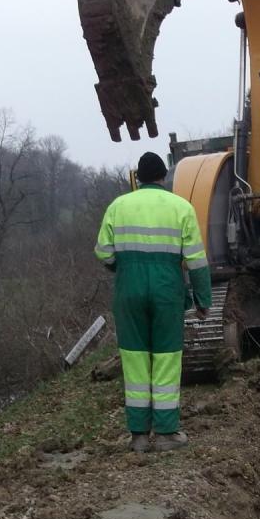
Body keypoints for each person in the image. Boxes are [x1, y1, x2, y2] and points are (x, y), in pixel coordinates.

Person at [94, 152, 212, 453]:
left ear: (139, 178)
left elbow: (103, 252)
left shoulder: (118, 206)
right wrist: (203, 300)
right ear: (163, 178)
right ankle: (166, 433)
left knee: (134, 361)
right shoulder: (181, 207)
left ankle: (138, 436)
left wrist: (124, 267)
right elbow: (197, 261)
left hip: (128, 291)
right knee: (166, 359)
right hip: (166, 291)